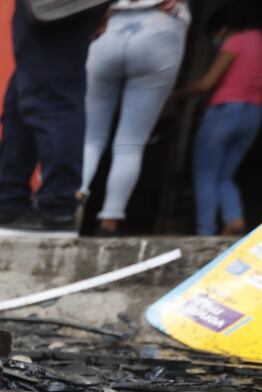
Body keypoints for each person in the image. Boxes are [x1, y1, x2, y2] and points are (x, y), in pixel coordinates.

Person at [0, 0, 111, 240]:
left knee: (52, 96)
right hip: (46, 8)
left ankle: (57, 209)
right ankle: (11, 205)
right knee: (21, 98)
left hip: (56, 8)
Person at [80, 0, 190, 235]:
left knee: (90, 137)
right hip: (161, 25)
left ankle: (72, 202)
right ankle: (110, 220)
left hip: (110, 23)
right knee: (130, 142)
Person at [170, 2, 262, 236]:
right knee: (225, 175)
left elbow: (207, 83)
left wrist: (175, 96)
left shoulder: (235, 40)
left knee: (205, 174)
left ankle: (205, 231)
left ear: (223, 27)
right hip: (253, 113)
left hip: (224, 112)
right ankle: (234, 218)